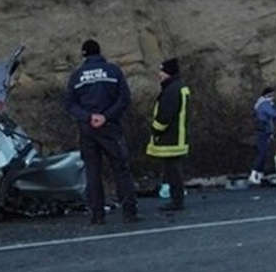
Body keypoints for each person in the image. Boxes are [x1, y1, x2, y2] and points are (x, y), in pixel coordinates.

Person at [64, 39, 139, 224]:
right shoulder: (113, 71)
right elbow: (124, 98)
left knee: (92, 171)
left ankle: (97, 215)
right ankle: (129, 213)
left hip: (87, 128)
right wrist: (106, 116)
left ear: (84, 55)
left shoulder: (77, 76)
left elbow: (70, 104)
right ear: (100, 52)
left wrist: (89, 117)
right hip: (111, 127)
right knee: (121, 169)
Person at [146, 57, 190, 212]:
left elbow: (164, 116)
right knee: (174, 171)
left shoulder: (171, 90)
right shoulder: (179, 87)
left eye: (162, 71)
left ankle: (176, 201)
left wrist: (155, 130)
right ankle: (176, 199)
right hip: (178, 136)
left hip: (171, 138)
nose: (159, 74)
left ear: (169, 73)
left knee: (173, 172)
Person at [249, 87, 276, 185]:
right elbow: (274, 115)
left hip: (265, 131)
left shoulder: (263, 104)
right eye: (272, 95)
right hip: (263, 131)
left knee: (264, 153)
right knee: (262, 154)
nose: (273, 97)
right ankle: (253, 175)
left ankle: (259, 175)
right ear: (267, 95)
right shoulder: (264, 104)